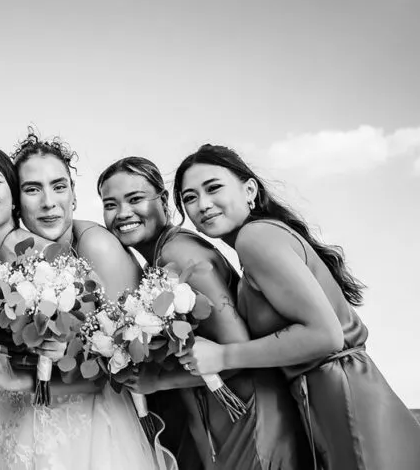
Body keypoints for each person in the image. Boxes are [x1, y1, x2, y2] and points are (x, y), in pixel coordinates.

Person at [174, 144, 420, 470]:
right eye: (189, 198)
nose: (203, 204)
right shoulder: (260, 241)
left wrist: (223, 356)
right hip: (344, 413)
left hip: (354, 418)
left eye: (213, 188)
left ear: (249, 190)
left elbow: (326, 336)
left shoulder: (256, 237)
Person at [0, 132, 175, 470]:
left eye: (59, 186)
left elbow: (127, 363)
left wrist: (19, 380)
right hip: (21, 422)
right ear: (15, 201)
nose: (49, 202)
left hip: (90, 430)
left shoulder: (97, 248)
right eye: (32, 189)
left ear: (74, 196)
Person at [99, 156, 311, 470]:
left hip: (249, 414)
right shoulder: (158, 261)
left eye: (135, 199)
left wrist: (157, 382)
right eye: (110, 204)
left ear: (164, 201)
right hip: (222, 415)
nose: (123, 213)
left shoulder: (180, 253)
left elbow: (234, 348)